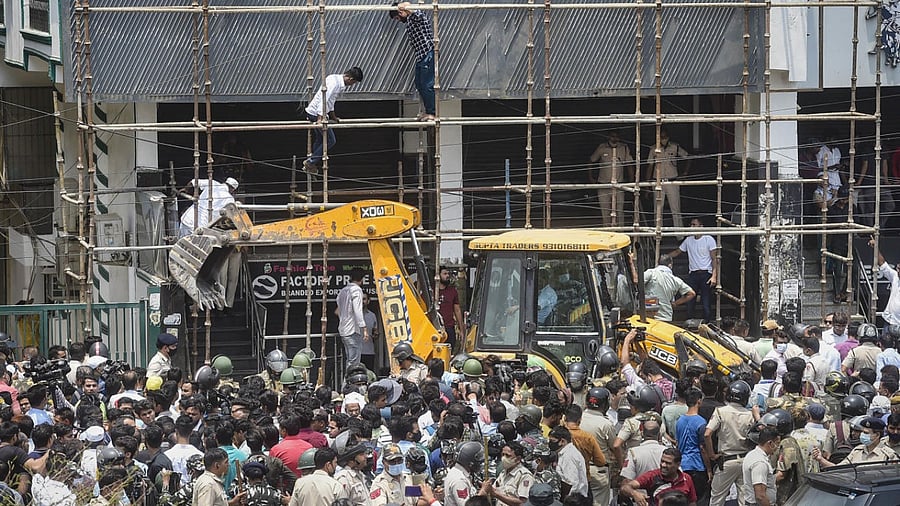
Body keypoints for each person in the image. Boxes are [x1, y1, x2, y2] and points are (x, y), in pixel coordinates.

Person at [301, 67, 363, 174]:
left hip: (315, 112)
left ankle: (312, 162)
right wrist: (320, 118)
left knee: (320, 140)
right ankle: (311, 162)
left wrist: (333, 116)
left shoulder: (336, 80)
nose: (352, 85)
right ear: (350, 79)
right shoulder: (334, 83)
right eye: (353, 83)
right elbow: (324, 99)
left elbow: (331, 101)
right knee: (331, 140)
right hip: (316, 114)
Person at [705, 380, 755, 506]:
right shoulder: (750, 415)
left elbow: (707, 434)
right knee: (745, 500)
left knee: (717, 499)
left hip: (726, 461)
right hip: (745, 460)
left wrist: (712, 455)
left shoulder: (720, 411)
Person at [389, 2, 435, 121]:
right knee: (419, 84)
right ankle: (427, 111)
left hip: (428, 54)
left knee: (427, 85)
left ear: (401, 12)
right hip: (420, 56)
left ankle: (432, 113)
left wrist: (405, 6)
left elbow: (415, 11)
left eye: (398, 18)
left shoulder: (416, 17)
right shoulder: (409, 21)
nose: (399, 21)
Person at [669, 218, 719, 322]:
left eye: (694, 224)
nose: (691, 227)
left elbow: (714, 259)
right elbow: (678, 251)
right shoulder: (689, 240)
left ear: (701, 226)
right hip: (693, 274)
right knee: (690, 299)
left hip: (706, 273)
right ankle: (690, 321)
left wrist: (714, 276)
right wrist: (665, 257)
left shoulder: (708, 239)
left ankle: (707, 323)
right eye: (691, 224)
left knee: (706, 302)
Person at [646, 128, 691, 230]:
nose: (663, 139)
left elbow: (688, 157)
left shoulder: (675, 147)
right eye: (661, 137)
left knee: (676, 208)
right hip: (658, 182)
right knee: (658, 209)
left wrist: (685, 173)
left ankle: (679, 234)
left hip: (672, 180)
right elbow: (649, 166)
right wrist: (648, 184)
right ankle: (657, 235)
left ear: (668, 137)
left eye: (665, 137)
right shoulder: (653, 148)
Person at [589, 130, 634, 227]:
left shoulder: (624, 148)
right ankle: (608, 233)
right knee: (605, 211)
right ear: (608, 137)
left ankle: (620, 233)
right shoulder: (602, 147)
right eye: (612, 136)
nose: (614, 139)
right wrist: (591, 177)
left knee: (619, 210)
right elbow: (591, 161)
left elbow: (629, 164)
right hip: (603, 184)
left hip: (619, 185)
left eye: (616, 136)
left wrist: (632, 181)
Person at [621, 448, 697, 506]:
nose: (663, 465)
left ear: (678, 464)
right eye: (662, 461)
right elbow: (625, 487)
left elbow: (692, 502)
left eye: (668, 463)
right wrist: (635, 494)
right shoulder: (652, 476)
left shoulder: (686, 479)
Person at [814, 416, 897, 466]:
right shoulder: (857, 451)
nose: (863, 435)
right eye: (863, 432)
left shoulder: (888, 456)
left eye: (866, 433)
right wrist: (821, 459)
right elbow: (839, 469)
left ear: (877, 435)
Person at [643, 255, 695, 322]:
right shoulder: (675, 280)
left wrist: (631, 263)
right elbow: (691, 294)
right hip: (666, 316)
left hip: (649, 316)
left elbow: (637, 281)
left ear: (657, 264)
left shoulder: (651, 273)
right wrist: (675, 303)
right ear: (670, 265)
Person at [336, 267, 369, 369]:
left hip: (343, 329)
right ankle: (350, 384)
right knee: (354, 363)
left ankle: (347, 383)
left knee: (350, 361)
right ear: (361, 279)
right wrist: (364, 329)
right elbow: (358, 311)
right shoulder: (356, 290)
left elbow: (338, 309)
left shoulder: (343, 291)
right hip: (352, 330)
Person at [742, 427, 779, 506]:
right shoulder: (760, 463)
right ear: (770, 443)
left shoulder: (752, 454)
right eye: (777, 443)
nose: (777, 447)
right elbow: (760, 496)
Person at [549, 426, 588, 499]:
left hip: (575, 500)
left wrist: (567, 501)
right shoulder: (563, 453)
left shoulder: (569, 456)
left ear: (562, 441)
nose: (550, 444)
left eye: (553, 441)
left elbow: (572, 483)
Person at [492, 441, 534, 506]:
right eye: (503, 455)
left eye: (507, 456)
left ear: (518, 459)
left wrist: (496, 494)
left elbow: (522, 502)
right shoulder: (503, 473)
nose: (504, 458)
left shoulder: (524, 476)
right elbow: (494, 490)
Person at [437, 267, 464, 350]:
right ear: (438, 275)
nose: (447, 276)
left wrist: (461, 329)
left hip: (449, 327)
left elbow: (457, 310)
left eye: (448, 274)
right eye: (445, 274)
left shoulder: (452, 291)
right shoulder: (431, 291)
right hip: (435, 328)